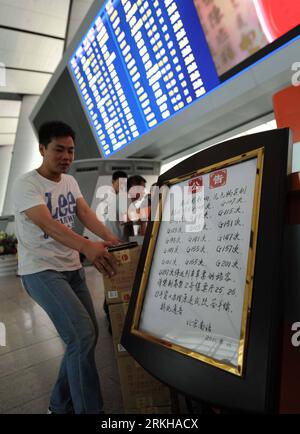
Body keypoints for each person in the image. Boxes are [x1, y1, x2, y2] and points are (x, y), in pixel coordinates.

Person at [12, 121, 120, 415]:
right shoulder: (26, 184)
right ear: (42, 149)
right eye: (59, 149)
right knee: (82, 336)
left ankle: (58, 405)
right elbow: (48, 224)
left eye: (70, 150)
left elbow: (84, 213)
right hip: (41, 272)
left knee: (85, 336)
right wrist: (87, 247)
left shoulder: (70, 182)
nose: (66, 157)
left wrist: (111, 240)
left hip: (73, 271)